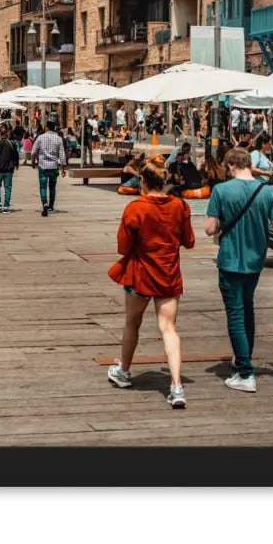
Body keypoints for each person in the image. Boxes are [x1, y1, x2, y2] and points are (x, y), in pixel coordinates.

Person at [106, 154, 195, 407]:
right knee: (169, 329)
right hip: (168, 274)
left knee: (132, 324)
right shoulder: (180, 206)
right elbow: (189, 241)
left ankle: (124, 372)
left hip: (140, 274)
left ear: (143, 181)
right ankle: (176, 386)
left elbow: (123, 247)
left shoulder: (135, 208)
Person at [205, 148, 273, 393]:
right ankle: (244, 357)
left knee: (235, 314)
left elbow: (209, 229)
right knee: (247, 308)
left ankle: (245, 373)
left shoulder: (220, 190)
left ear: (231, 165)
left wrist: (222, 221)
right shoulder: (268, 192)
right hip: (255, 260)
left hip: (230, 260)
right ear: (249, 165)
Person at [30, 119, 67, 217]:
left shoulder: (40, 137)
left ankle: (44, 203)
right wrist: (63, 167)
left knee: (43, 186)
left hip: (43, 166)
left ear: (47, 127)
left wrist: (33, 161)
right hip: (54, 167)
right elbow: (62, 154)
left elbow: (33, 151)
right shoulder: (58, 138)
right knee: (52, 187)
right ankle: (51, 206)